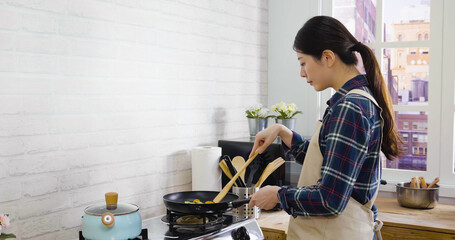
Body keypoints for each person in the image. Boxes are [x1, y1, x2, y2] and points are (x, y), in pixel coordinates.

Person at [248, 16, 402, 240]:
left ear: (327, 57)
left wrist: (279, 195)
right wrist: (283, 131)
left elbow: (330, 199)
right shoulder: (357, 101)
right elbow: (328, 160)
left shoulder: (350, 108)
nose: (302, 73)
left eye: (303, 62)